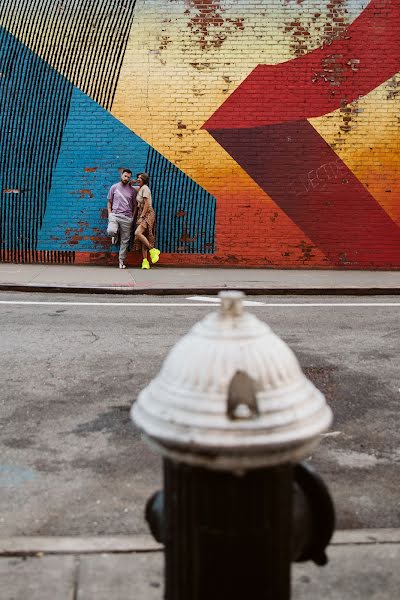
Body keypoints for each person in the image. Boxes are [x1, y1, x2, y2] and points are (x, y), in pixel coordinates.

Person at [107, 169, 137, 269]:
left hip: (127, 218)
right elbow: (109, 202)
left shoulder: (132, 191)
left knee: (125, 240)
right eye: (125, 176)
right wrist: (110, 214)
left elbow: (135, 206)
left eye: (128, 177)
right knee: (111, 231)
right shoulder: (114, 187)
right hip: (115, 215)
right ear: (121, 175)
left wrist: (132, 217)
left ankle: (121, 261)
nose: (126, 178)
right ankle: (115, 234)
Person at [134, 173, 160, 269]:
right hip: (142, 213)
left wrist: (141, 216)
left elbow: (146, 204)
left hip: (147, 213)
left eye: (140, 178)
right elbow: (131, 186)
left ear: (144, 180)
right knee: (143, 238)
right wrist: (133, 181)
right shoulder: (140, 188)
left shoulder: (145, 188)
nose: (138, 179)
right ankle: (145, 262)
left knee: (137, 233)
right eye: (138, 177)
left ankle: (153, 250)